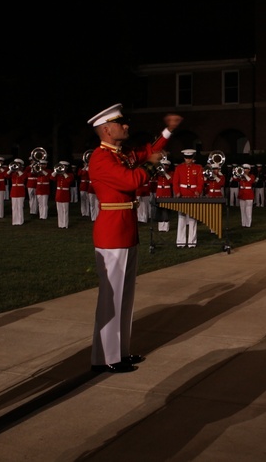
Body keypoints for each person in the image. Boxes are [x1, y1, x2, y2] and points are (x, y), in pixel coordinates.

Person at [86, 103, 181, 373]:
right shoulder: (101, 158)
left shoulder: (121, 153)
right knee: (111, 298)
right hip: (112, 231)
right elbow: (131, 181)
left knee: (125, 297)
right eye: (121, 122)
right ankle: (104, 358)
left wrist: (168, 131)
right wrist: (152, 166)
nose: (126, 126)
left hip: (125, 228)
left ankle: (119, 352)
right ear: (106, 129)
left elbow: (148, 151)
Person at [172, 149, 204, 248]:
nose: (188, 160)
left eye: (190, 158)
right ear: (184, 158)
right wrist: (177, 192)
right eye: (186, 158)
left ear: (192, 158)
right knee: (181, 219)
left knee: (192, 219)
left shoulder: (198, 168)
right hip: (182, 195)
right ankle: (180, 242)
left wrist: (198, 191)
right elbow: (175, 182)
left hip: (193, 195)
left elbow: (200, 182)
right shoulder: (179, 168)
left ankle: (192, 242)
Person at [53, 161, 75, 229]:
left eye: (64, 166)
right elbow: (51, 177)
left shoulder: (70, 175)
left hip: (65, 194)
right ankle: (60, 224)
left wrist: (64, 173)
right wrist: (56, 171)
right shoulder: (58, 175)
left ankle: (65, 225)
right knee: (59, 210)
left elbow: (69, 181)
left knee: (65, 210)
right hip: (59, 193)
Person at [234, 163, 256, 227]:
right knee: (242, 210)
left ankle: (248, 224)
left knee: (248, 210)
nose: (245, 170)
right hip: (242, 194)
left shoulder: (252, 176)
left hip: (248, 194)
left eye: (246, 169)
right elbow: (234, 178)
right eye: (244, 169)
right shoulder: (240, 176)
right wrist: (236, 172)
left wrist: (244, 175)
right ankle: (243, 223)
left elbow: (251, 181)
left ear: (249, 170)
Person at [9, 159, 28, 226]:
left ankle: (20, 221)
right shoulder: (13, 173)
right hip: (14, 191)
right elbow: (6, 175)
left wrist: (18, 170)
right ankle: (14, 221)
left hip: (20, 191)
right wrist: (11, 169)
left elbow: (24, 177)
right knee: (14, 207)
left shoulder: (23, 172)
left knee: (20, 207)